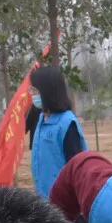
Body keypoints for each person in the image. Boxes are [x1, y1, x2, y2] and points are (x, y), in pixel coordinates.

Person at [26, 64, 87, 200]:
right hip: (45, 197)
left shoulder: (67, 123)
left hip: (64, 201)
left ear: (47, 92)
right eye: (31, 90)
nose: (32, 95)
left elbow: (76, 168)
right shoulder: (42, 118)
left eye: (35, 91)